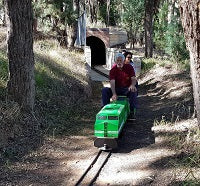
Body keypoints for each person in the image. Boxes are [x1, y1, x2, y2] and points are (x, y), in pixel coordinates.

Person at [102, 53, 137, 117]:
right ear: (115, 61)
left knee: (133, 90)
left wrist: (132, 85)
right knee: (105, 90)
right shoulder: (113, 70)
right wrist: (114, 93)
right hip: (117, 89)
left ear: (124, 61)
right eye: (117, 61)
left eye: (120, 61)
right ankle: (105, 109)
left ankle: (132, 111)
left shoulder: (129, 67)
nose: (119, 62)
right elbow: (112, 82)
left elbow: (133, 78)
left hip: (126, 89)